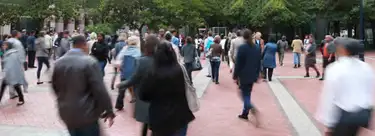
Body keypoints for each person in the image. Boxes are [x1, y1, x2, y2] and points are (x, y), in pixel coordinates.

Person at [51, 35, 115, 136]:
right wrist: (109, 109)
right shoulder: (90, 62)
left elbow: (55, 87)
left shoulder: (59, 63)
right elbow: (100, 90)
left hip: (67, 112)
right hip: (87, 113)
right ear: (84, 45)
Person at [316, 38, 374, 136]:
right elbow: (369, 91)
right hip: (363, 113)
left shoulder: (335, 68)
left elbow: (329, 96)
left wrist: (328, 123)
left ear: (344, 50)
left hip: (344, 115)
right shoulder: (366, 67)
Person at [138, 41, 195, 136]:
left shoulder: (152, 72)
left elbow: (143, 94)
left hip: (159, 116)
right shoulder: (179, 69)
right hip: (180, 115)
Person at [117, 35, 159, 136]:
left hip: (145, 95)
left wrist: (121, 84)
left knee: (146, 120)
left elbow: (134, 79)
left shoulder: (142, 61)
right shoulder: (162, 60)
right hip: (159, 97)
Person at [233, 29, 261, 127]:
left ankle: (250, 107)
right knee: (247, 93)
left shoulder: (242, 48)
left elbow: (238, 64)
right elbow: (259, 62)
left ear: (243, 37)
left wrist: (235, 75)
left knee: (243, 94)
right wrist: (257, 74)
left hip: (243, 75)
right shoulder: (257, 48)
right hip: (253, 75)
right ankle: (245, 113)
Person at [114, 36, 140, 110]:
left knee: (122, 90)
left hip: (124, 73)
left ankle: (119, 105)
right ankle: (137, 107)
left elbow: (118, 61)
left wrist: (121, 67)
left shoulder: (125, 49)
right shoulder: (138, 51)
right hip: (135, 74)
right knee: (136, 89)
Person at [0, 41, 25, 106]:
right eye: (3, 45)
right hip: (9, 74)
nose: (3, 46)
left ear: (8, 46)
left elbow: (13, 65)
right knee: (12, 86)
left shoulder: (12, 54)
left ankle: (21, 99)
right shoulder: (8, 53)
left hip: (12, 74)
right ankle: (21, 99)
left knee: (15, 86)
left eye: (4, 45)